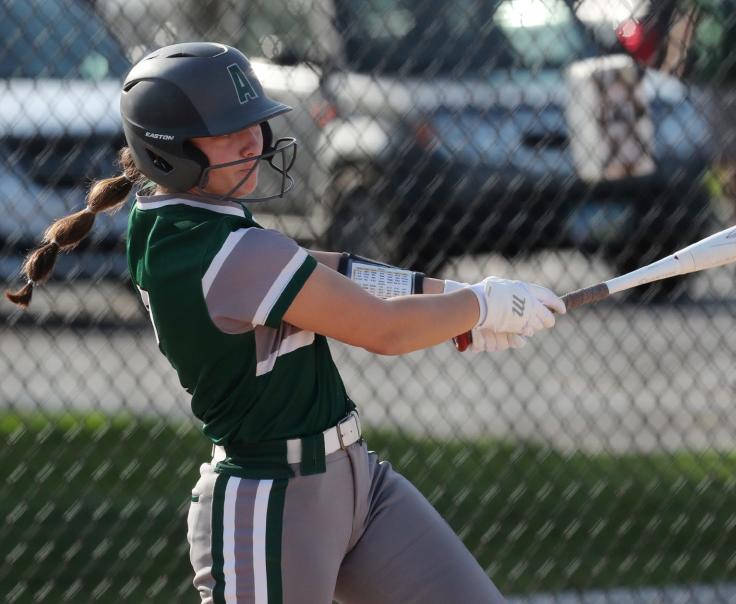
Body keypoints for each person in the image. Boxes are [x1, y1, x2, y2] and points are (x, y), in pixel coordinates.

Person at [5, 42, 565, 603]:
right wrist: (482, 304)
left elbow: (335, 273)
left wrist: (461, 299)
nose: (256, 141)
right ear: (168, 153)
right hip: (272, 501)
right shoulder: (216, 252)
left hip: (359, 486)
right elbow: (382, 330)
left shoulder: (185, 226)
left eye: (253, 123)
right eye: (229, 131)